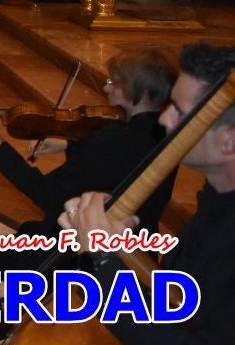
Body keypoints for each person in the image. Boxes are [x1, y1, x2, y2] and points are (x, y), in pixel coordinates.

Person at [57, 42, 235, 345]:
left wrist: (102, 258)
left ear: (229, 141)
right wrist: (116, 246)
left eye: (179, 112)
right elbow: (178, 298)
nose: (164, 120)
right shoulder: (217, 195)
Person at [0, 49, 178, 281]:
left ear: (143, 96)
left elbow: (45, 193)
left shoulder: (110, 143)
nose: (106, 88)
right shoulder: (166, 133)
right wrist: (66, 144)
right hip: (140, 244)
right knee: (29, 229)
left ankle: (1, 312)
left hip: (80, 254)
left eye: (115, 84)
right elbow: (115, 168)